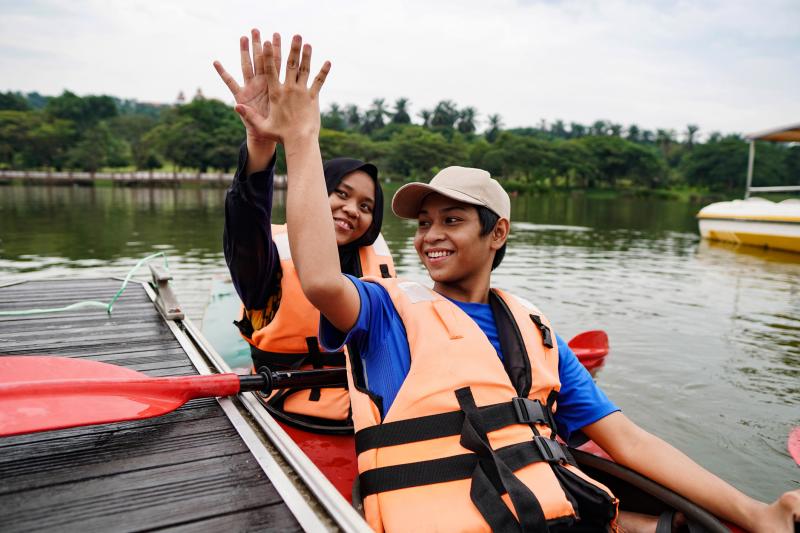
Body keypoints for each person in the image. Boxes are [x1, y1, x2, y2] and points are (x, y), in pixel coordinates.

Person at [230, 32, 800, 532]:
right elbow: (320, 276)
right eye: (424, 223)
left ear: (496, 233)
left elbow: (628, 440)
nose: (431, 236)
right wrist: (301, 139)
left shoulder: (537, 332)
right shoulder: (385, 312)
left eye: (451, 220)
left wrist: (755, 511)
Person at [214, 30, 395, 432]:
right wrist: (260, 146)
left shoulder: (376, 267)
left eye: (366, 207)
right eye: (340, 194)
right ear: (316, 189)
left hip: (368, 419)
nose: (352, 210)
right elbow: (245, 228)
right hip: (285, 413)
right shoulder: (268, 264)